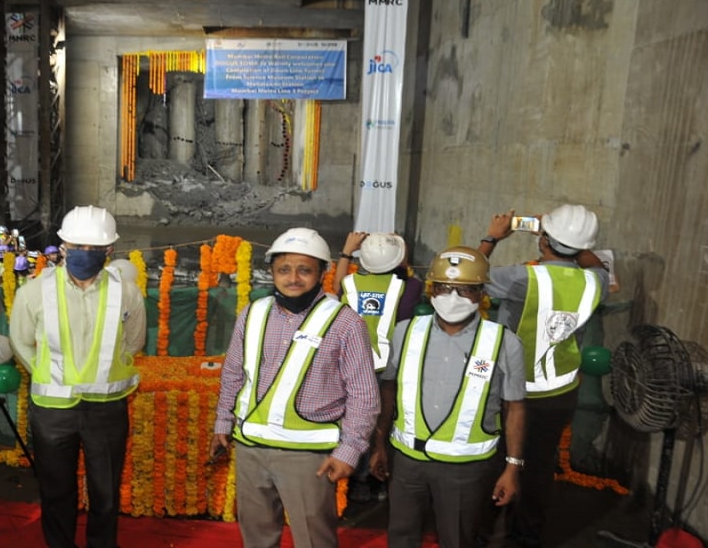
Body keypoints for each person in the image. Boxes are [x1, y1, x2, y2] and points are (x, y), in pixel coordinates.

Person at [210, 227, 379, 548]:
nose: (293, 278)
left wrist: (349, 450)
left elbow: (364, 395)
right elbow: (233, 372)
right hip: (251, 448)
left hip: (308, 458)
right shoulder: (253, 313)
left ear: (321, 273)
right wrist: (223, 422)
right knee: (257, 538)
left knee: (313, 540)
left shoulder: (345, 322)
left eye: (304, 270)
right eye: (284, 270)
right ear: (272, 272)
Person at [369, 246, 526, 548]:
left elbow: (515, 407)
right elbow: (388, 390)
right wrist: (379, 444)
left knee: (457, 539)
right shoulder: (405, 332)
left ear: (481, 293)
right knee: (401, 536)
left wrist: (512, 467)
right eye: (443, 287)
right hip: (407, 462)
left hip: (465, 468)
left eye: (465, 290)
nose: (452, 297)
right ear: (430, 289)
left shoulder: (504, 343)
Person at [10, 205, 145, 548]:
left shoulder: (127, 292)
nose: (85, 254)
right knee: (56, 491)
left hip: (107, 409)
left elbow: (134, 342)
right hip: (53, 411)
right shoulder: (34, 292)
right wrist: (48, 374)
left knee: (106, 495)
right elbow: (21, 342)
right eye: (78, 247)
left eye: (95, 249)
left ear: (109, 251)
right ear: (64, 247)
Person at [477, 205, 608, 548]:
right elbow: (596, 265)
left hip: (512, 391)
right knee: (538, 465)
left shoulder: (523, 278)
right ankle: (527, 536)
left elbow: (467, 273)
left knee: (497, 461)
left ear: (544, 240)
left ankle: (484, 532)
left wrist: (493, 236)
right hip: (560, 391)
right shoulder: (594, 282)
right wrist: (573, 244)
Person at [334, 231, 423, 503]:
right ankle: (378, 478)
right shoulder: (409, 287)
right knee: (384, 422)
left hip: (353, 364)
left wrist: (346, 251)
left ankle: (356, 481)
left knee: (356, 422)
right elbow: (409, 291)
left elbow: (337, 287)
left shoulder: (349, 283)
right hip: (389, 365)